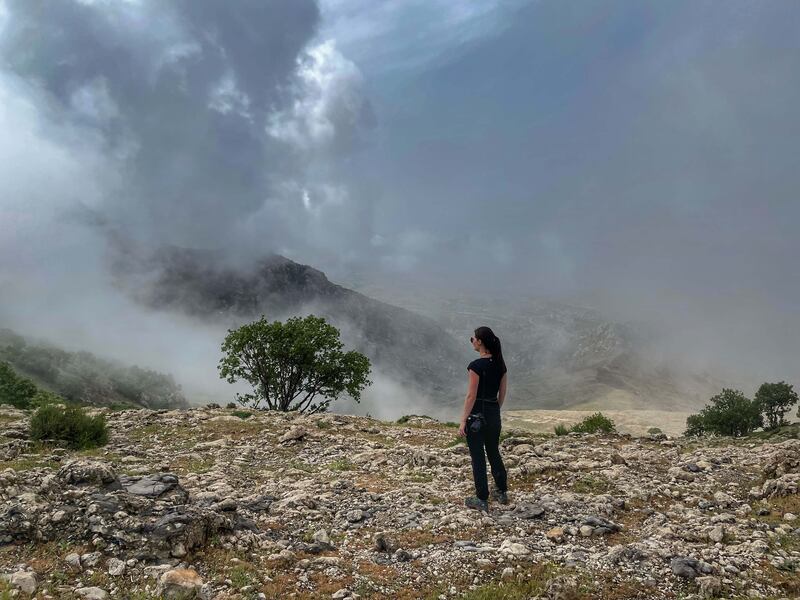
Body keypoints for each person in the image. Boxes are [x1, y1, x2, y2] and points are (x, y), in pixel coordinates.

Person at [459, 326, 508, 511]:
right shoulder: (500, 364)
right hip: (493, 413)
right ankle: (502, 491)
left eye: (473, 338)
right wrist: (494, 410)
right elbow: (502, 393)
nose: (471, 341)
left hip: (476, 416)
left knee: (478, 456)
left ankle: (482, 499)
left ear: (480, 342)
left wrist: (463, 419)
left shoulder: (476, 366)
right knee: (493, 451)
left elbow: (471, 396)